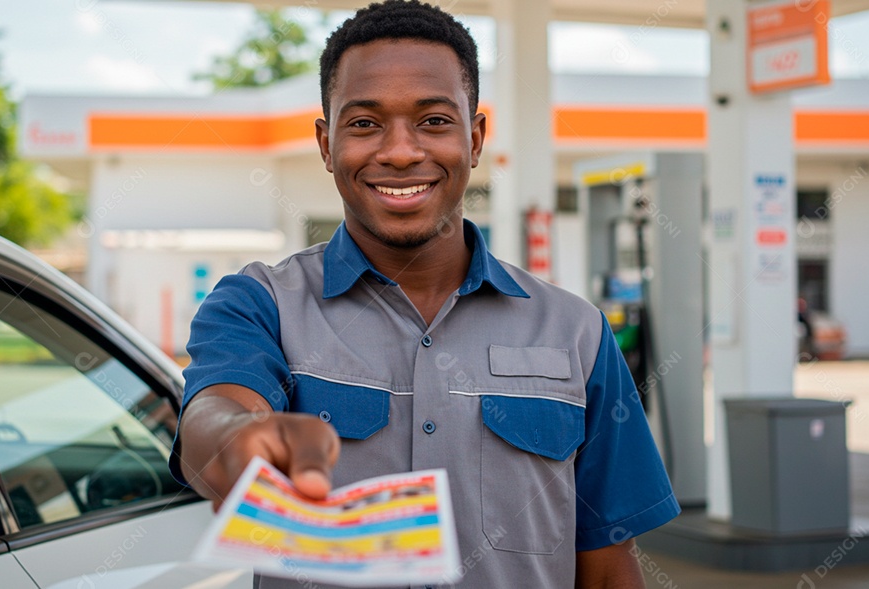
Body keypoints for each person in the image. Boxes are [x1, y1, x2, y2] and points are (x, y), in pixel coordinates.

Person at [170, 1, 679, 587]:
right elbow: (214, 413)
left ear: (475, 138)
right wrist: (234, 436)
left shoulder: (577, 332)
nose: (400, 151)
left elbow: (610, 566)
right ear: (326, 144)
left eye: (434, 121)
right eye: (364, 124)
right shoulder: (259, 304)